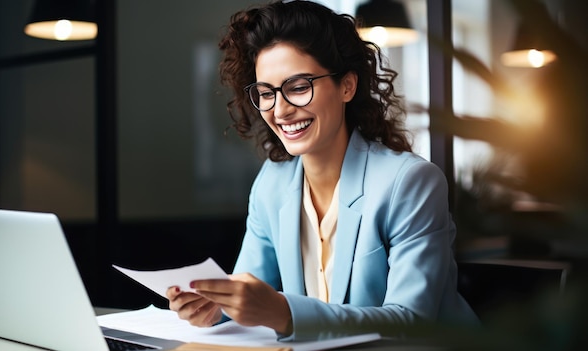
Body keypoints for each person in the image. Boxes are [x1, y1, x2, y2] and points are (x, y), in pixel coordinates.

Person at [167, 0, 479, 341]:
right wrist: (216, 306)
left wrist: (284, 313)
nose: (280, 110)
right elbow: (248, 288)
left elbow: (409, 321)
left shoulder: (410, 183)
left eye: (299, 87)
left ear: (347, 86)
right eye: (266, 93)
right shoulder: (272, 184)